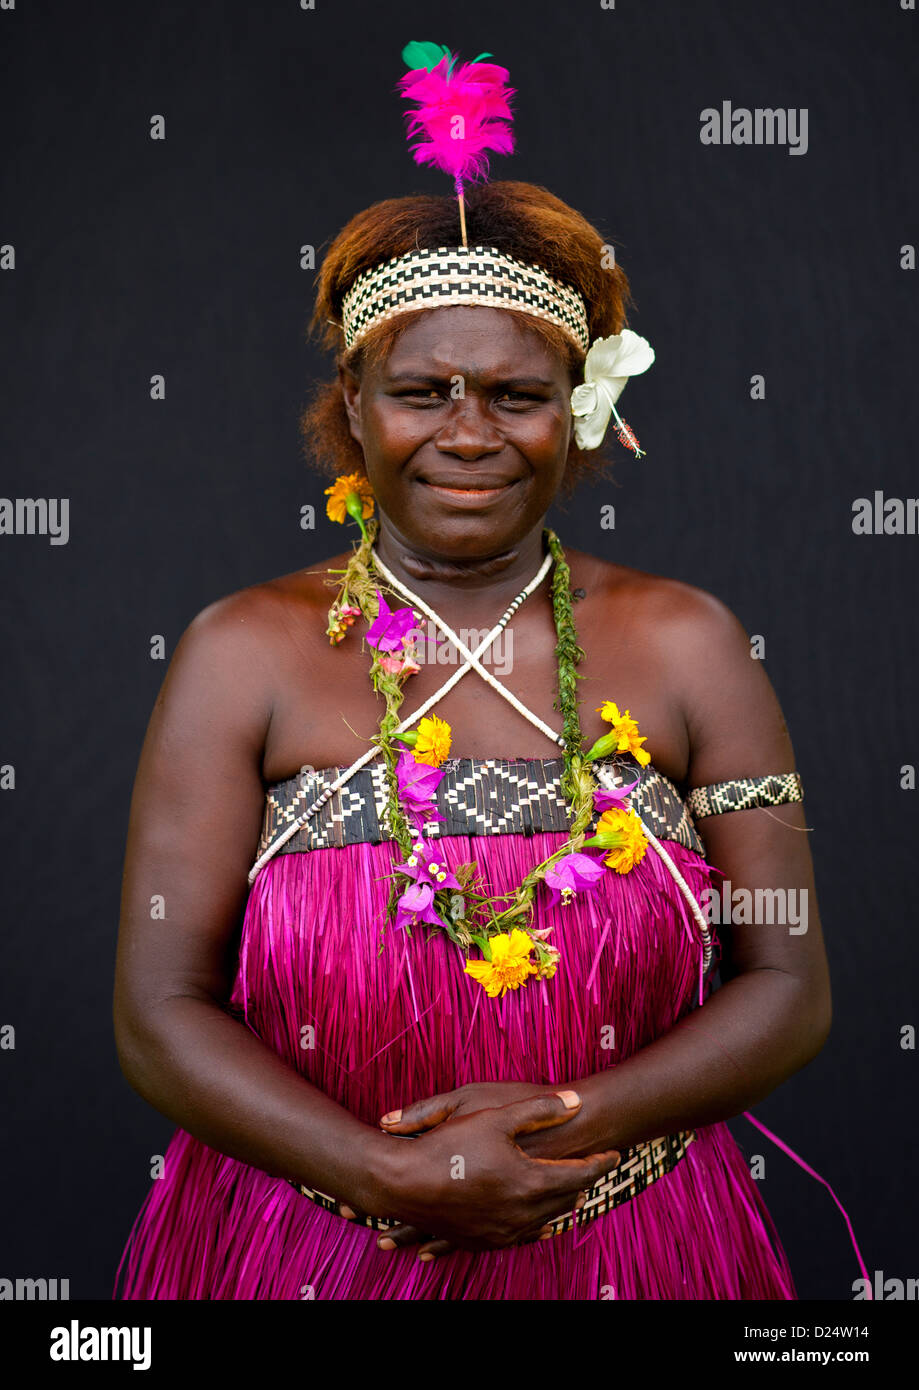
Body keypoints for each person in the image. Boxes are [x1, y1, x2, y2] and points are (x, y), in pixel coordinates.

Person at [112, 48, 834, 1301]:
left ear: (580, 409)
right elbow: (159, 1007)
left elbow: (785, 980)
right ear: (352, 401)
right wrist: (377, 1172)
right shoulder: (244, 652)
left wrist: (567, 1113)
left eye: (516, 394)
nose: (467, 433)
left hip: (631, 1238)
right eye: (420, 391)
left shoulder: (688, 644)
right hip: (309, 1245)